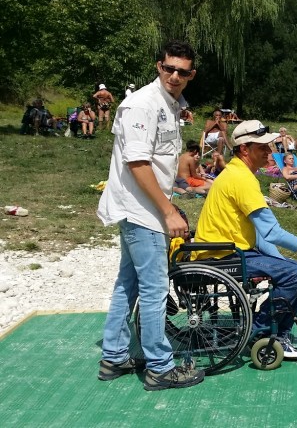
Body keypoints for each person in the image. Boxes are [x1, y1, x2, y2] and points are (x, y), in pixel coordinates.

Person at [96, 40, 205, 391]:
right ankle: (160, 366)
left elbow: (160, 162)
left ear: (191, 74)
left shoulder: (170, 104)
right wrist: (168, 210)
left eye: (182, 71)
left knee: (127, 284)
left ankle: (113, 356)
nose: (174, 75)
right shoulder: (143, 103)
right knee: (155, 289)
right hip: (142, 211)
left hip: (144, 208)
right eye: (169, 68)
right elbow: (138, 163)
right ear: (159, 66)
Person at [194, 120, 297, 359]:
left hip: (228, 250)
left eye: (270, 146)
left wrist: (281, 260)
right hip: (221, 255)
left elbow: (259, 233)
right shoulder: (241, 179)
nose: (270, 152)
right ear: (245, 149)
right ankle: (259, 331)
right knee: (295, 273)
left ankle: (275, 330)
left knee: (292, 269)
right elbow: (272, 232)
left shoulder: (237, 173)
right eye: (263, 148)